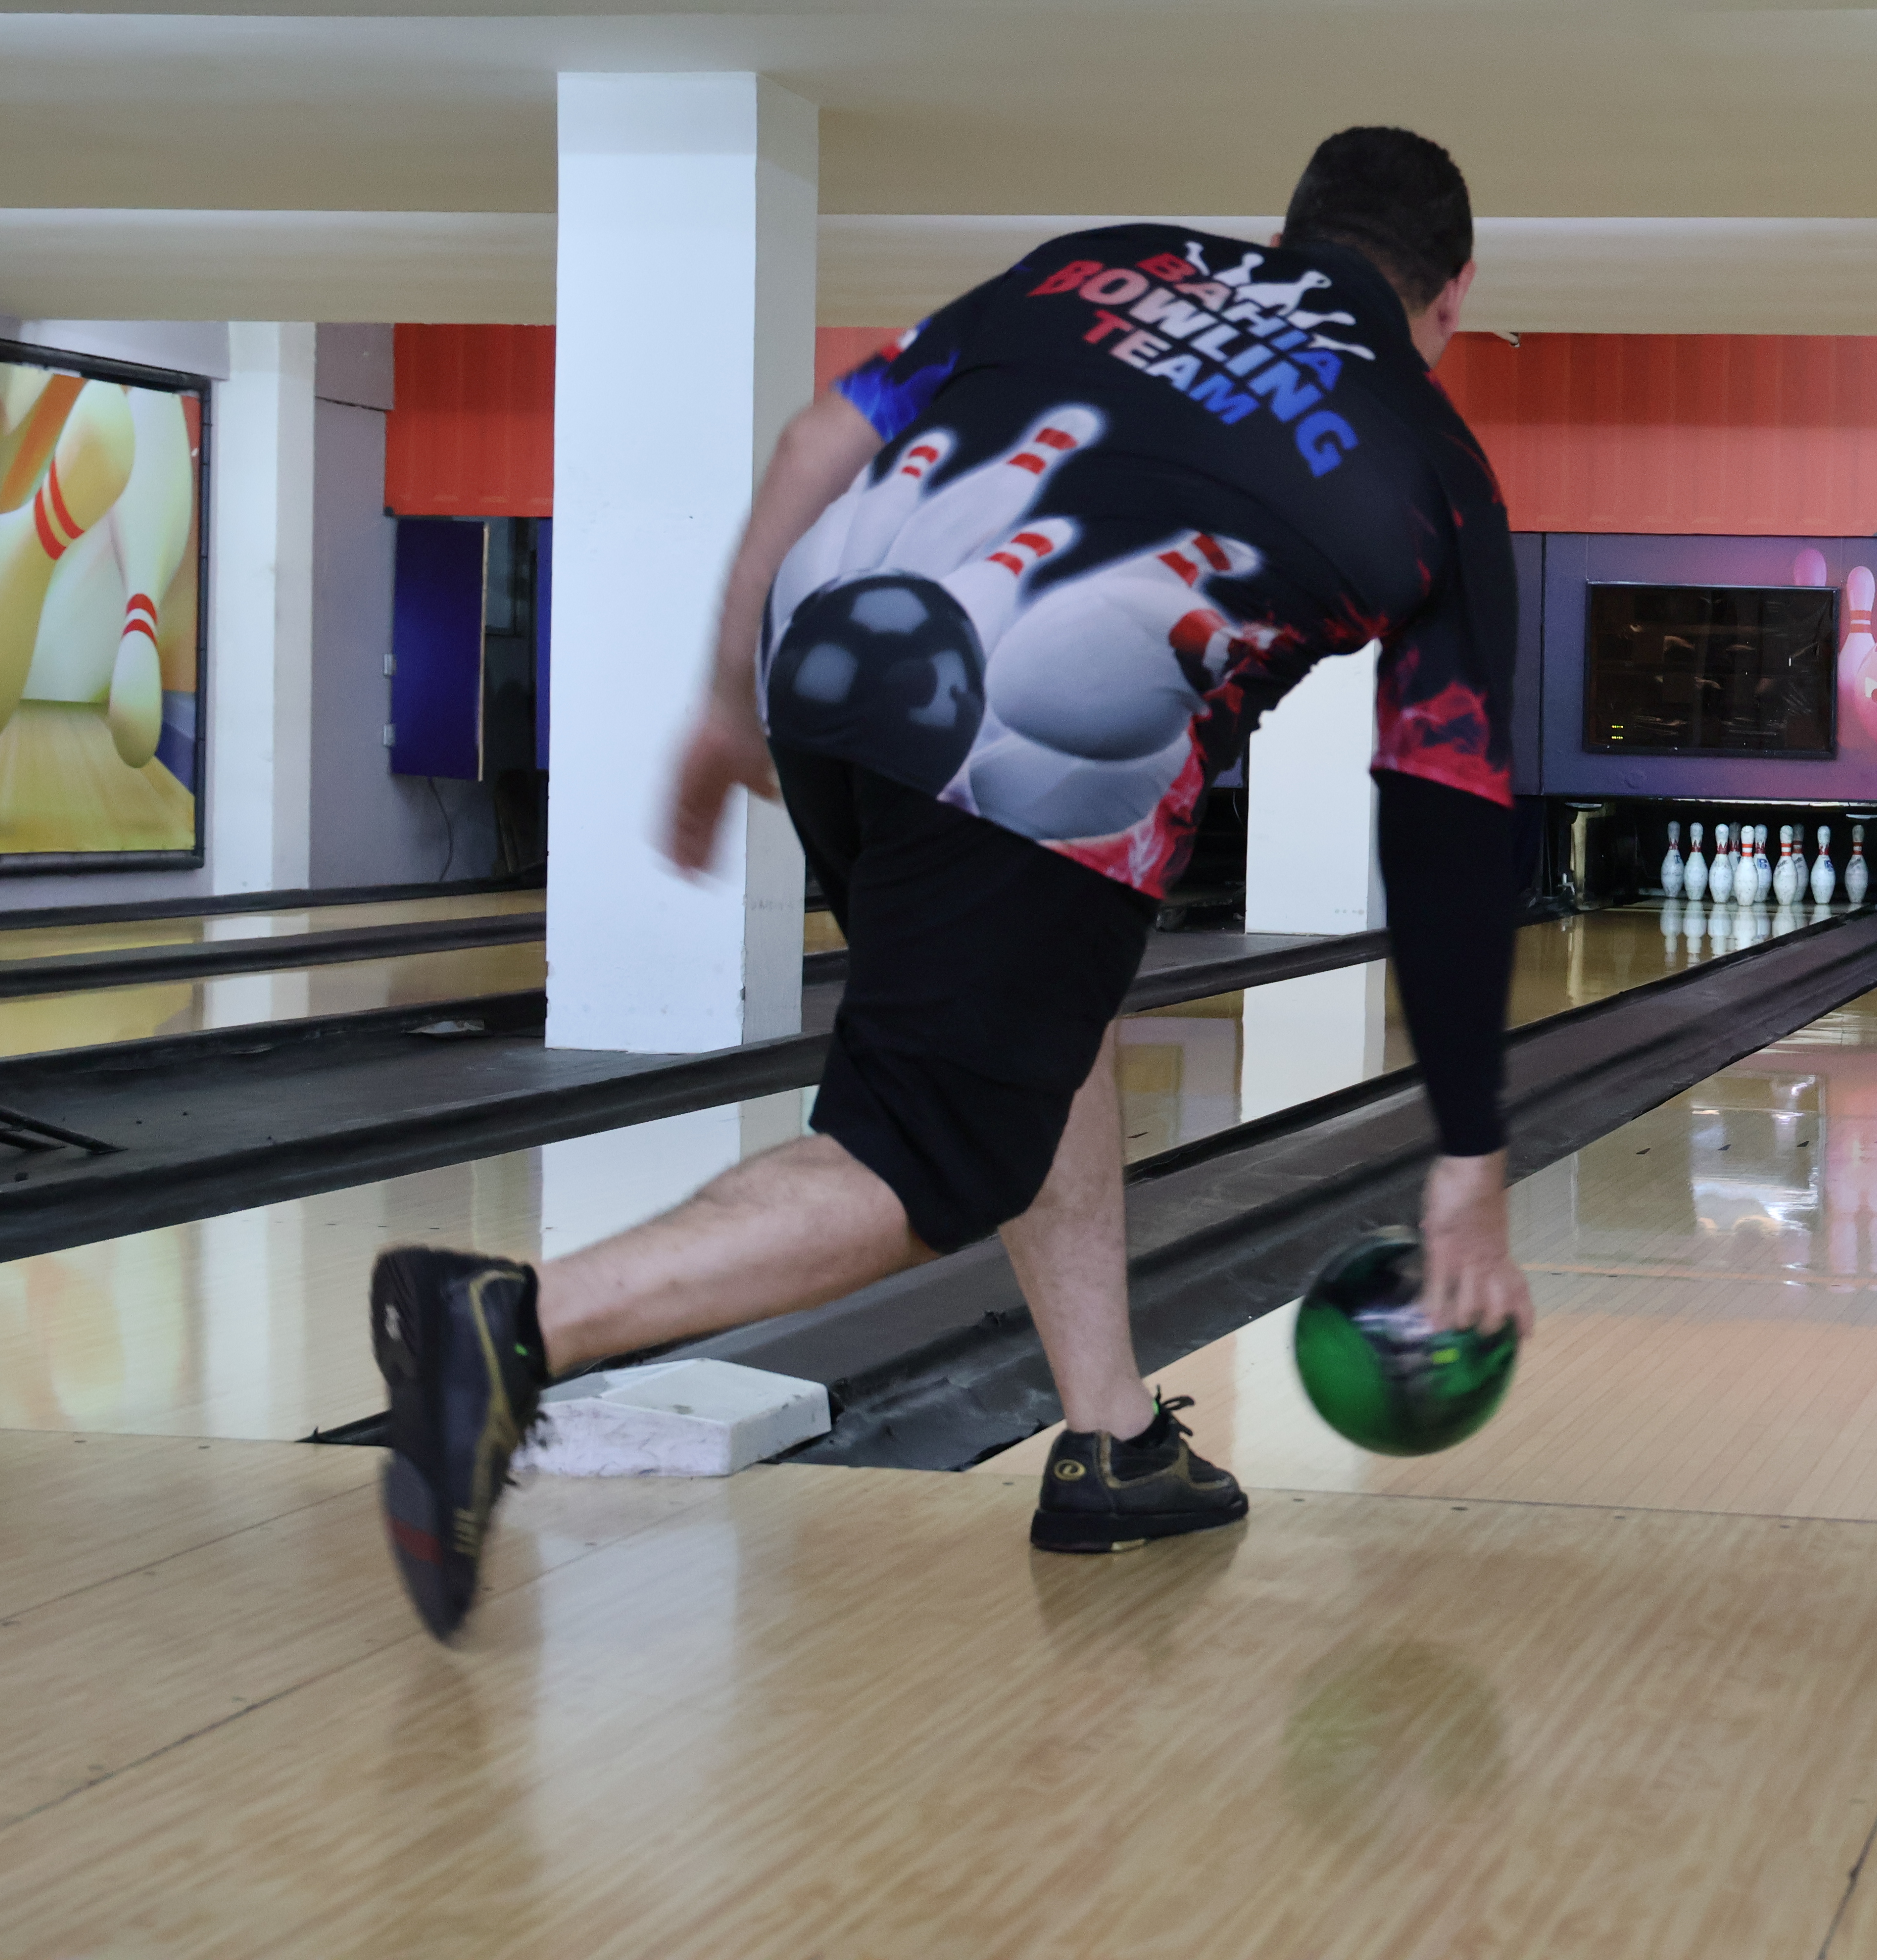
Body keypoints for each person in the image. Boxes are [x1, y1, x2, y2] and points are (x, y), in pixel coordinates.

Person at [370, 128, 1535, 1639]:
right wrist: (1468, 1155)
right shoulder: (1435, 463)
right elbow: (1448, 823)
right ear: (1451, 296)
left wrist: (728, 693)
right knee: (926, 1156)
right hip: (1040, 743)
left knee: (1055, 1012)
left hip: (831, 652)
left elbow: (812, 445)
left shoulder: (1098, 265)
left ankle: (1111, 1440)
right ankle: (512, 1325)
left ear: (1292, 229)